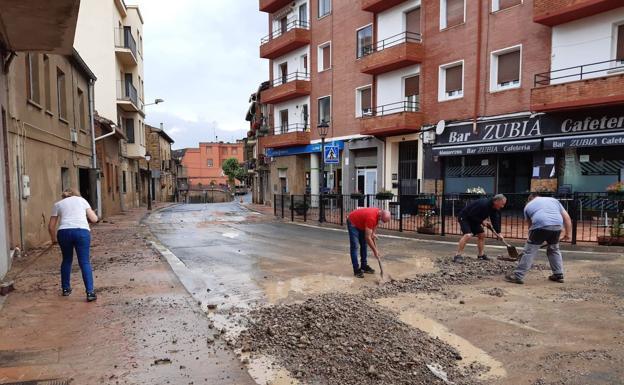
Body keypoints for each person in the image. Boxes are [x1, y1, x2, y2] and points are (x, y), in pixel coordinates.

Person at [505, 193, 572, 285]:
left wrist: (531, 244)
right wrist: (568, 233)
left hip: (540, 226)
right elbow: (567, 218)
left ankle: (518, 276)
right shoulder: (554, 200)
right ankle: (558, 275)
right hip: (557, 226)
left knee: (529, 252)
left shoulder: (528, 206)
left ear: (529, 199)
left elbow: (531, 227)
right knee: (554, 250)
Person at [48, 188, 99, 302]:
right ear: (76, 194)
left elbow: (51, 226)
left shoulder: (58, 204)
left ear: (64, 196)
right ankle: (90, 292)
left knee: (66, 260)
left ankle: (66, 289)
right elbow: (94, 219)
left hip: (64, 232)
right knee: (84, 262)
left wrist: (53, 240)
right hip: (82, 232)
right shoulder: (82, 201)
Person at [454, 194, 507, 263]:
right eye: (502, 204)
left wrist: (498, 233)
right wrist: (482, 221)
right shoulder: (484, 204)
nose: (502, 206)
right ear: (496, 201)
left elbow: (494, 220)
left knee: (482, 234)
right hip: (465, 217)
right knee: (468, 235)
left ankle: (481, 255)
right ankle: (457, 255)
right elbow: (471, 214)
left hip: (475, 219)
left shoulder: (494, 208)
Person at [346, 207, 391, 278]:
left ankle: (364, 266)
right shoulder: (371, 218)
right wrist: (375, 251)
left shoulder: (378, 213)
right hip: (353, 223)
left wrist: (373, 233)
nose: (383, 223)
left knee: (364, 245)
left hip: (362, 223)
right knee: (355, 246)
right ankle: (356, 270)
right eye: (383, 221)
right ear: (380, 216)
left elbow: (376, 224)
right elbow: (368, 238)